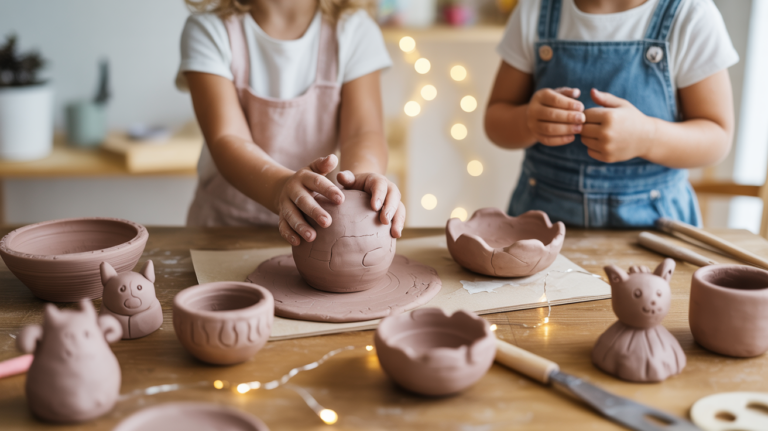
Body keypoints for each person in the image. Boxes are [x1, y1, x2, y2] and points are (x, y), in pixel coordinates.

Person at [485, 0, 738, 227]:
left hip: (657, 225)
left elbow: (718, 138)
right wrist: (529, 121)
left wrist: (648, 137)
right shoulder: (535, 10)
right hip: (542, 221)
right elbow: (495, 119)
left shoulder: (691, 15)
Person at [177, 0, 405, 244]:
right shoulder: (209, 30)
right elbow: (227, 137)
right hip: (224, 228)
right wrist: (281, 189)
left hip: (316, 227)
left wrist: (361, 183)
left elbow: (363, 132)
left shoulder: (356, 31)